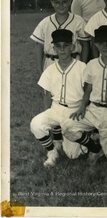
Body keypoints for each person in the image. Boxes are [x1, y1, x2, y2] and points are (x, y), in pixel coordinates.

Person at [62, 25, 107, 164]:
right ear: (96, 44)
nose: (105, 46)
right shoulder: (92, 64)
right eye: (101, 43)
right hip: (94, 110)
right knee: (67, 126)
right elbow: (88, 89)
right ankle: (94, 146)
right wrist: (82, 106)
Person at [30, 29, 87, 167]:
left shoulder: (82, 67)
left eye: (66, 45)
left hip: (74, 111)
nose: (62, 49)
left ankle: (85, 136)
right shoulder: (50, 69)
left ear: (72, 47)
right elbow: (47, 95)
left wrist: (83, 108)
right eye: (58, 46)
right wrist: (47, 117)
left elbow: (88, 93)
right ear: (54, 48)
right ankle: (52, 152)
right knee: (36, 124)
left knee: (73, 155)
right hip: (56, 108)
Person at [30, 0, 91, 75]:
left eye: (64, 2)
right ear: (52, 2)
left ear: (70, 1)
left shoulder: (78, 21)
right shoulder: (45, 22)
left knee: (73, 89)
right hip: (51, 63)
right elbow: (38, 46)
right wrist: (40, 70)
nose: (61, 5)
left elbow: (85, 45)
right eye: (57, 2)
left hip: (73, 63)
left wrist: (83, 66)